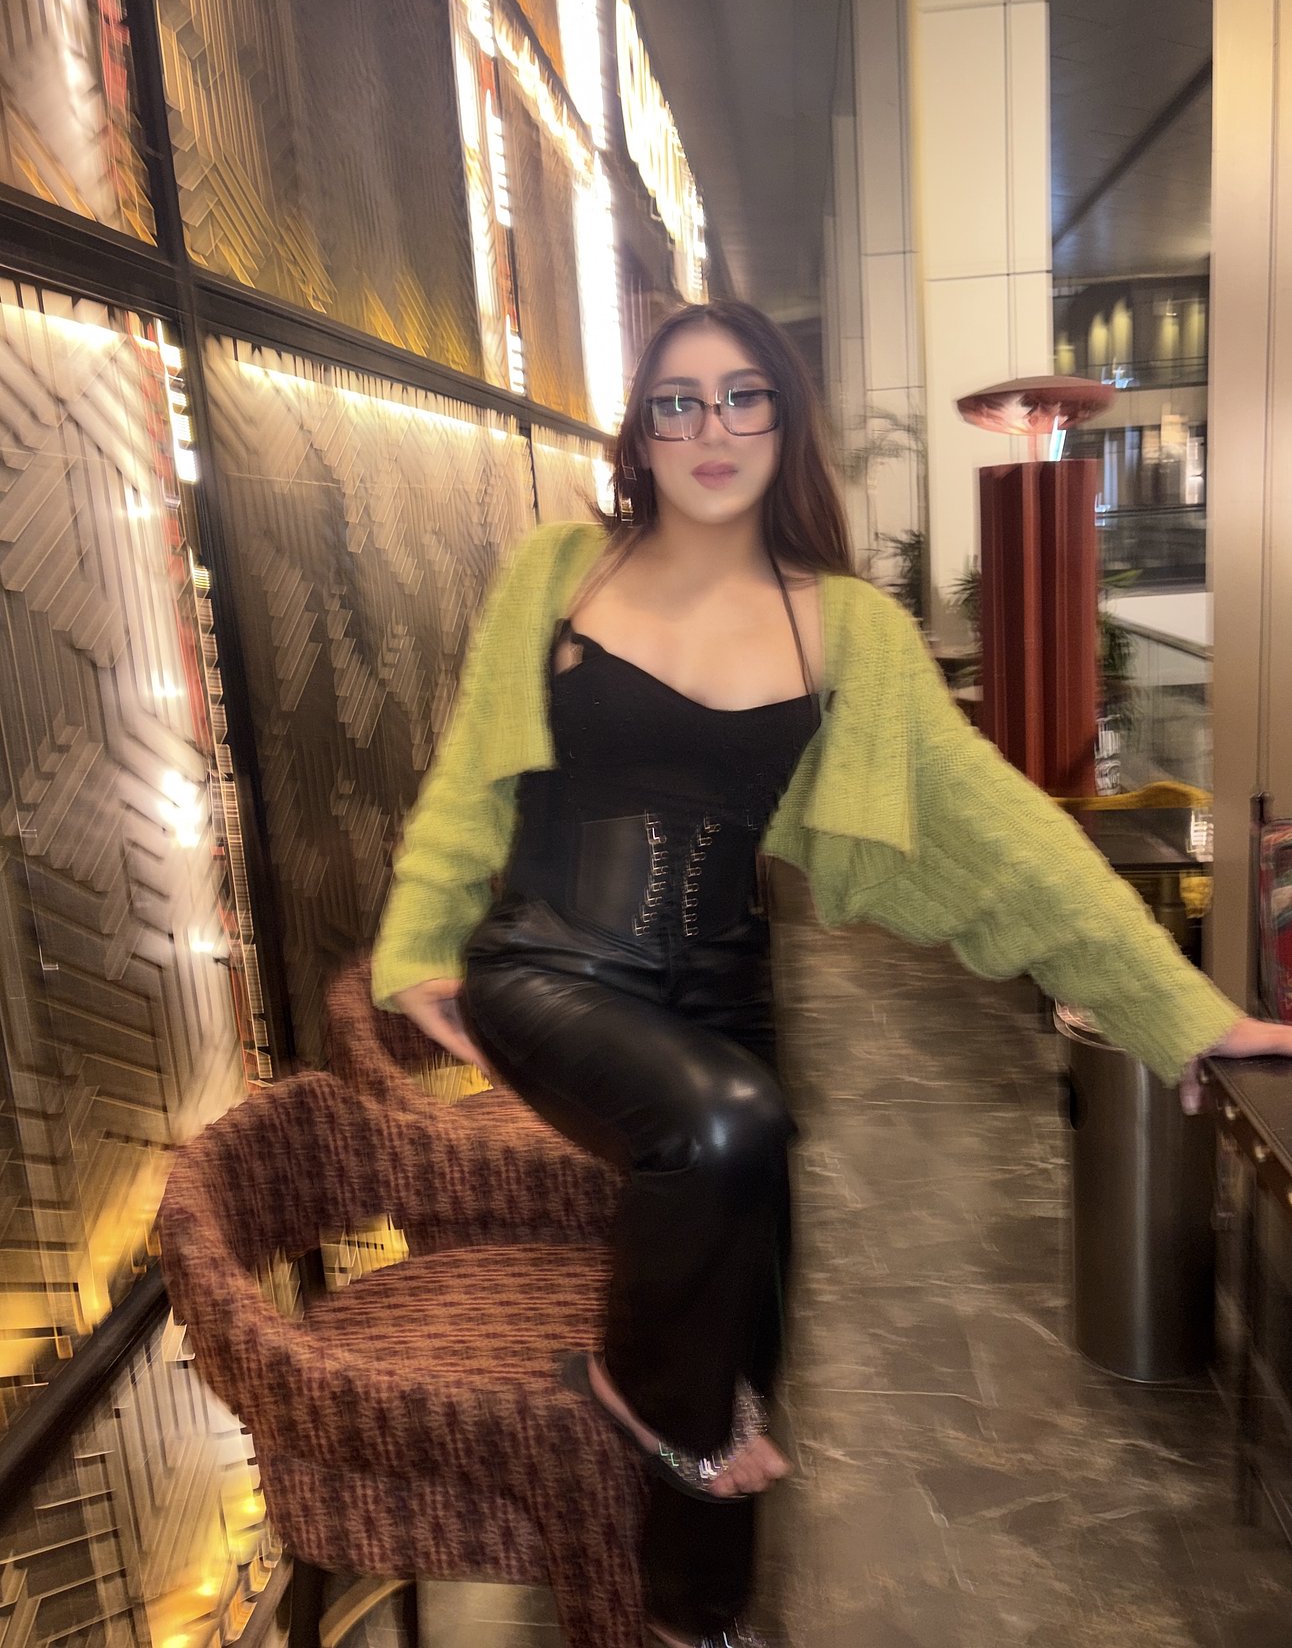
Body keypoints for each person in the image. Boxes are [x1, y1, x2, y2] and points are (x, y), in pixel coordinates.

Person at [371, 299, 1292, 1648]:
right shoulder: (557, 572)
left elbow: (1005, 832)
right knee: (726, 1131)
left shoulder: (846, 628)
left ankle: (699, 1618)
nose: (712, 425)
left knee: (747, 1317)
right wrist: (417, 940)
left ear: (783, 419)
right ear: (643, 432)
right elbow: (471, 773)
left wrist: (1180, 1011)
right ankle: (637, 1389)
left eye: (743, 395)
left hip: (722, 992)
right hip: (552, 965)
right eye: (678, 400)